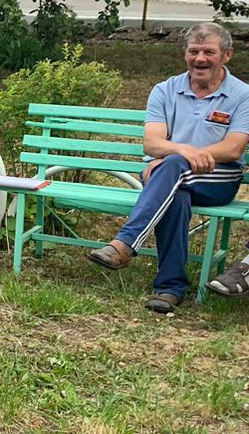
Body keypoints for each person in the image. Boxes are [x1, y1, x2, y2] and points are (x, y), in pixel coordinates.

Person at [86, 22, 249, 313]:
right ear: (185, 54)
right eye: (194, 51)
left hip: (217, 179)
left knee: (172, 166)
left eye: (209, 52)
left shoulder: (242, 94)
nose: (200, 59)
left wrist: (178, 154)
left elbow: (233, 148)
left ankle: (126, 243)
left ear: (226, 55)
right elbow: (152, 144)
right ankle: (170, 289)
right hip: (167, 178)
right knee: (176, 195)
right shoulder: (165, 90)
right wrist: (180, 151)